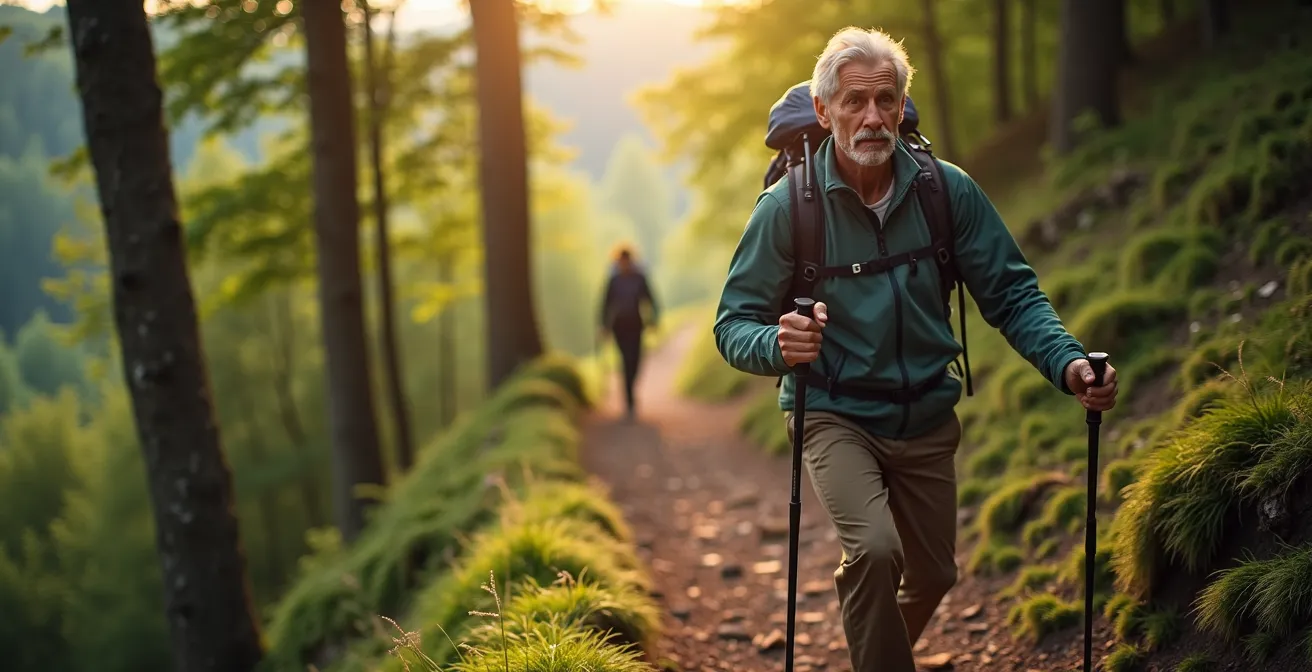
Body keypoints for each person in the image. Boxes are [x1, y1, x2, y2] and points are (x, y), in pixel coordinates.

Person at [712, 26, 1120, 672]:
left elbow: (1012, 294)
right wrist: (777, 343)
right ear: (824, 112)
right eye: (854, 102)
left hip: (928, 416)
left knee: (933, 575)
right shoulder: (789, 208)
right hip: (833, 412)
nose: (872, 117)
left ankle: (874, 656)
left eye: (885, 100)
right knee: (875, 552)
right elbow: (733, 324)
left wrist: (1067, 361)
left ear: (902, 106)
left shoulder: (945, 190)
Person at [599, 245, 659, 420]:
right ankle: (629, 401)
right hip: (619, 326)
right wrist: (604, 325)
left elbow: (650, 299)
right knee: (625, 361)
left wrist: (654, 319)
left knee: (636, 360)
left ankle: (631, 389)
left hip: (636, 325)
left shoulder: (639, 278)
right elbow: (605, 304)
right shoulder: (614, 280)